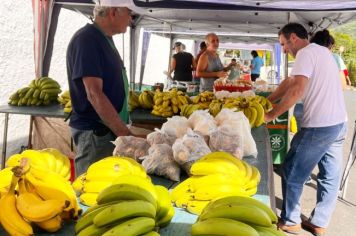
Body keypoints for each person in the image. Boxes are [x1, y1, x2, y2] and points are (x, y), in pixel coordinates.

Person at [265, 23, 347, 236]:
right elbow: (290, 82)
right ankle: (319, 222)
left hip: (319, 126)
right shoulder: (321, 52)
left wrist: (270, 115)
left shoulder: (305, 53)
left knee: (292, 168)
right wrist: (267, 99)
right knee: (329, 175)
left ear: (293, 38)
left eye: (283, 44)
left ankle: (291, 220)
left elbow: (297, 90)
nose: (284, 50)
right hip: (338, 123)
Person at [66, 0, 135, 177]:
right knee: (90, 190)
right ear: (113, 12)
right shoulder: (87, 39)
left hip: (106, 132)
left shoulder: (104, 39)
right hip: (96, 134)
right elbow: (94, 93)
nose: (131, 19)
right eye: (129, 13)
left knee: (105, 189)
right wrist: (124, 135)